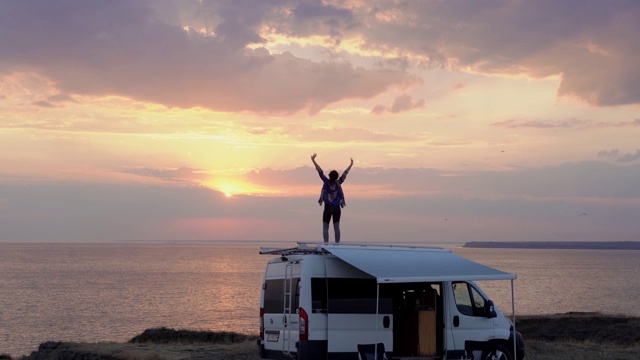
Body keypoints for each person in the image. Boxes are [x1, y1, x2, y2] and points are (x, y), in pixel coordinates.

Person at [311, 153, 354, 243]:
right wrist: (351, 164)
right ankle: (337, 245)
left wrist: (313, 160)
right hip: (337, 208)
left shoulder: (326, 182)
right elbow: (345, 174)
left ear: (329, 176)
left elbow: (320, 171)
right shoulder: (339, 183)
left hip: (328, 207)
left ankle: (326, 244)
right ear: (337, 177)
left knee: (325, 227)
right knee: (337, 227)